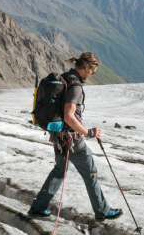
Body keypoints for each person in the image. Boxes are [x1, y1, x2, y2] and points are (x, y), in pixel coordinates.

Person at [28, 52, 123, 221]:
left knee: (59, 170)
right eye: (92, 69)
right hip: (73, 139)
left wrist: (54, 133)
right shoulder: (76, 85)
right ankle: (102, 211)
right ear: (86, 66)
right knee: (90, 172)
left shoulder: (65, 78)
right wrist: (88, 132)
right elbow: (68, 116)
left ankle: (38, 207)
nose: (93, 73)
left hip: (59, 136)